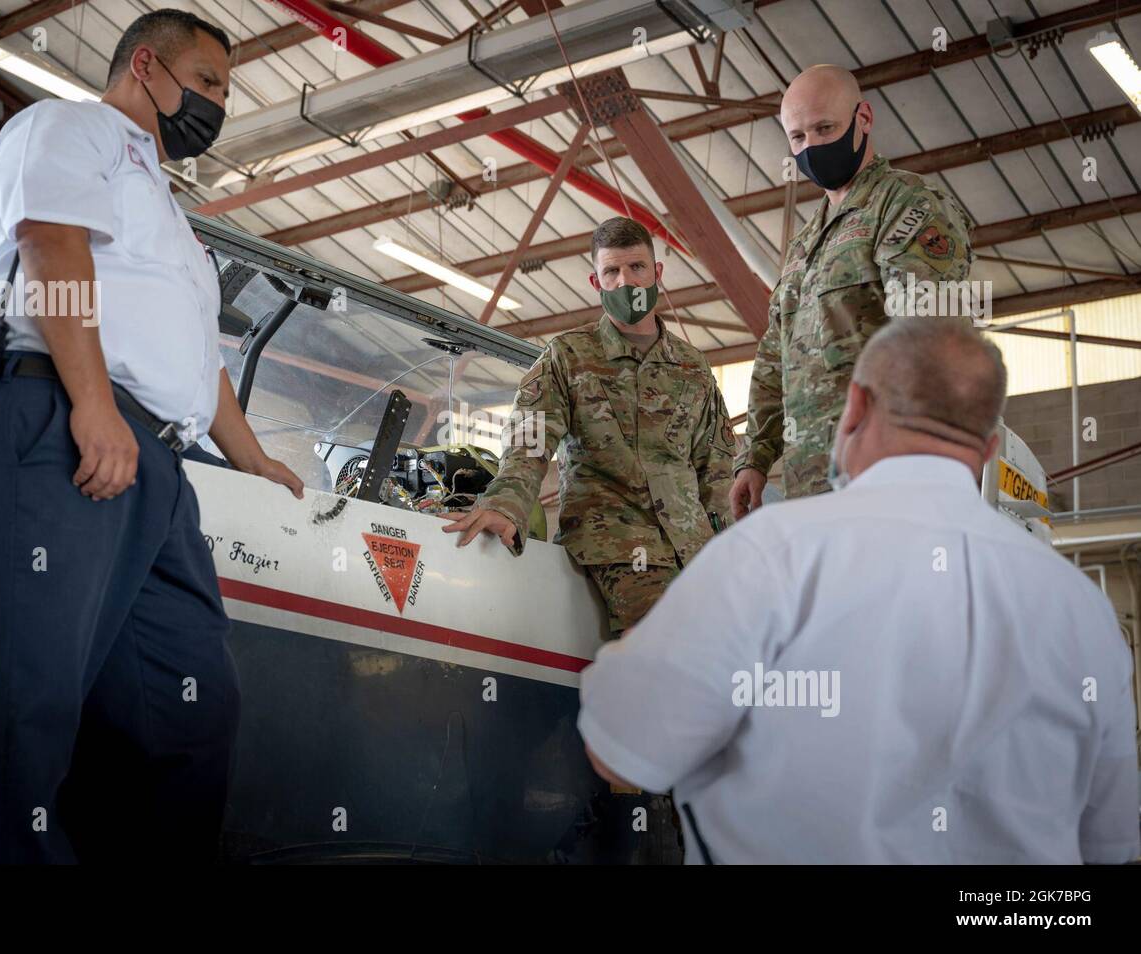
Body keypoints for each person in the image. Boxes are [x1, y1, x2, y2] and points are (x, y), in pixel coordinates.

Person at [0, 8, 303, 863]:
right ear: (147, 65)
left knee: (188, 713)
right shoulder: (70, 128)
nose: (216, 104)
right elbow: (50, 243)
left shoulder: (173, 218)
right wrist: (92, 404)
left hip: (157, 466)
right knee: (27, 706)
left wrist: (252, 459)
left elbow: (193, 354)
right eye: (208, 82)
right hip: (54, 418)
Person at [579, 318, 1139, 864]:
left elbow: (622, 753)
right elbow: (1109, 842)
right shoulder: (1082, 607)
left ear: (856, 407)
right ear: (990, 448)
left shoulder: (769, 555)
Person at [442, 217, 736, 637]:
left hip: (696, 551)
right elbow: (530, 439)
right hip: (616, 546)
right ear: (596, 282)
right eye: (612, 272)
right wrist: (507, 502)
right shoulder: (568, 356)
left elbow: (717, 471)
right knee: (670, 657)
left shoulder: (693, 367)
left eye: (636, 267)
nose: (626, 282)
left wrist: (736, 553)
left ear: (658, 274)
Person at [730, 64, 974, 518]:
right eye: (798, 138)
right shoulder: (804, 245)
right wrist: (756, 459)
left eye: (826, 128)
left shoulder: (907, 205)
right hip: (812, 485)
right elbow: (773, 358)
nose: (813, 147)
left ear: (864, 117)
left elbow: (927, 341)